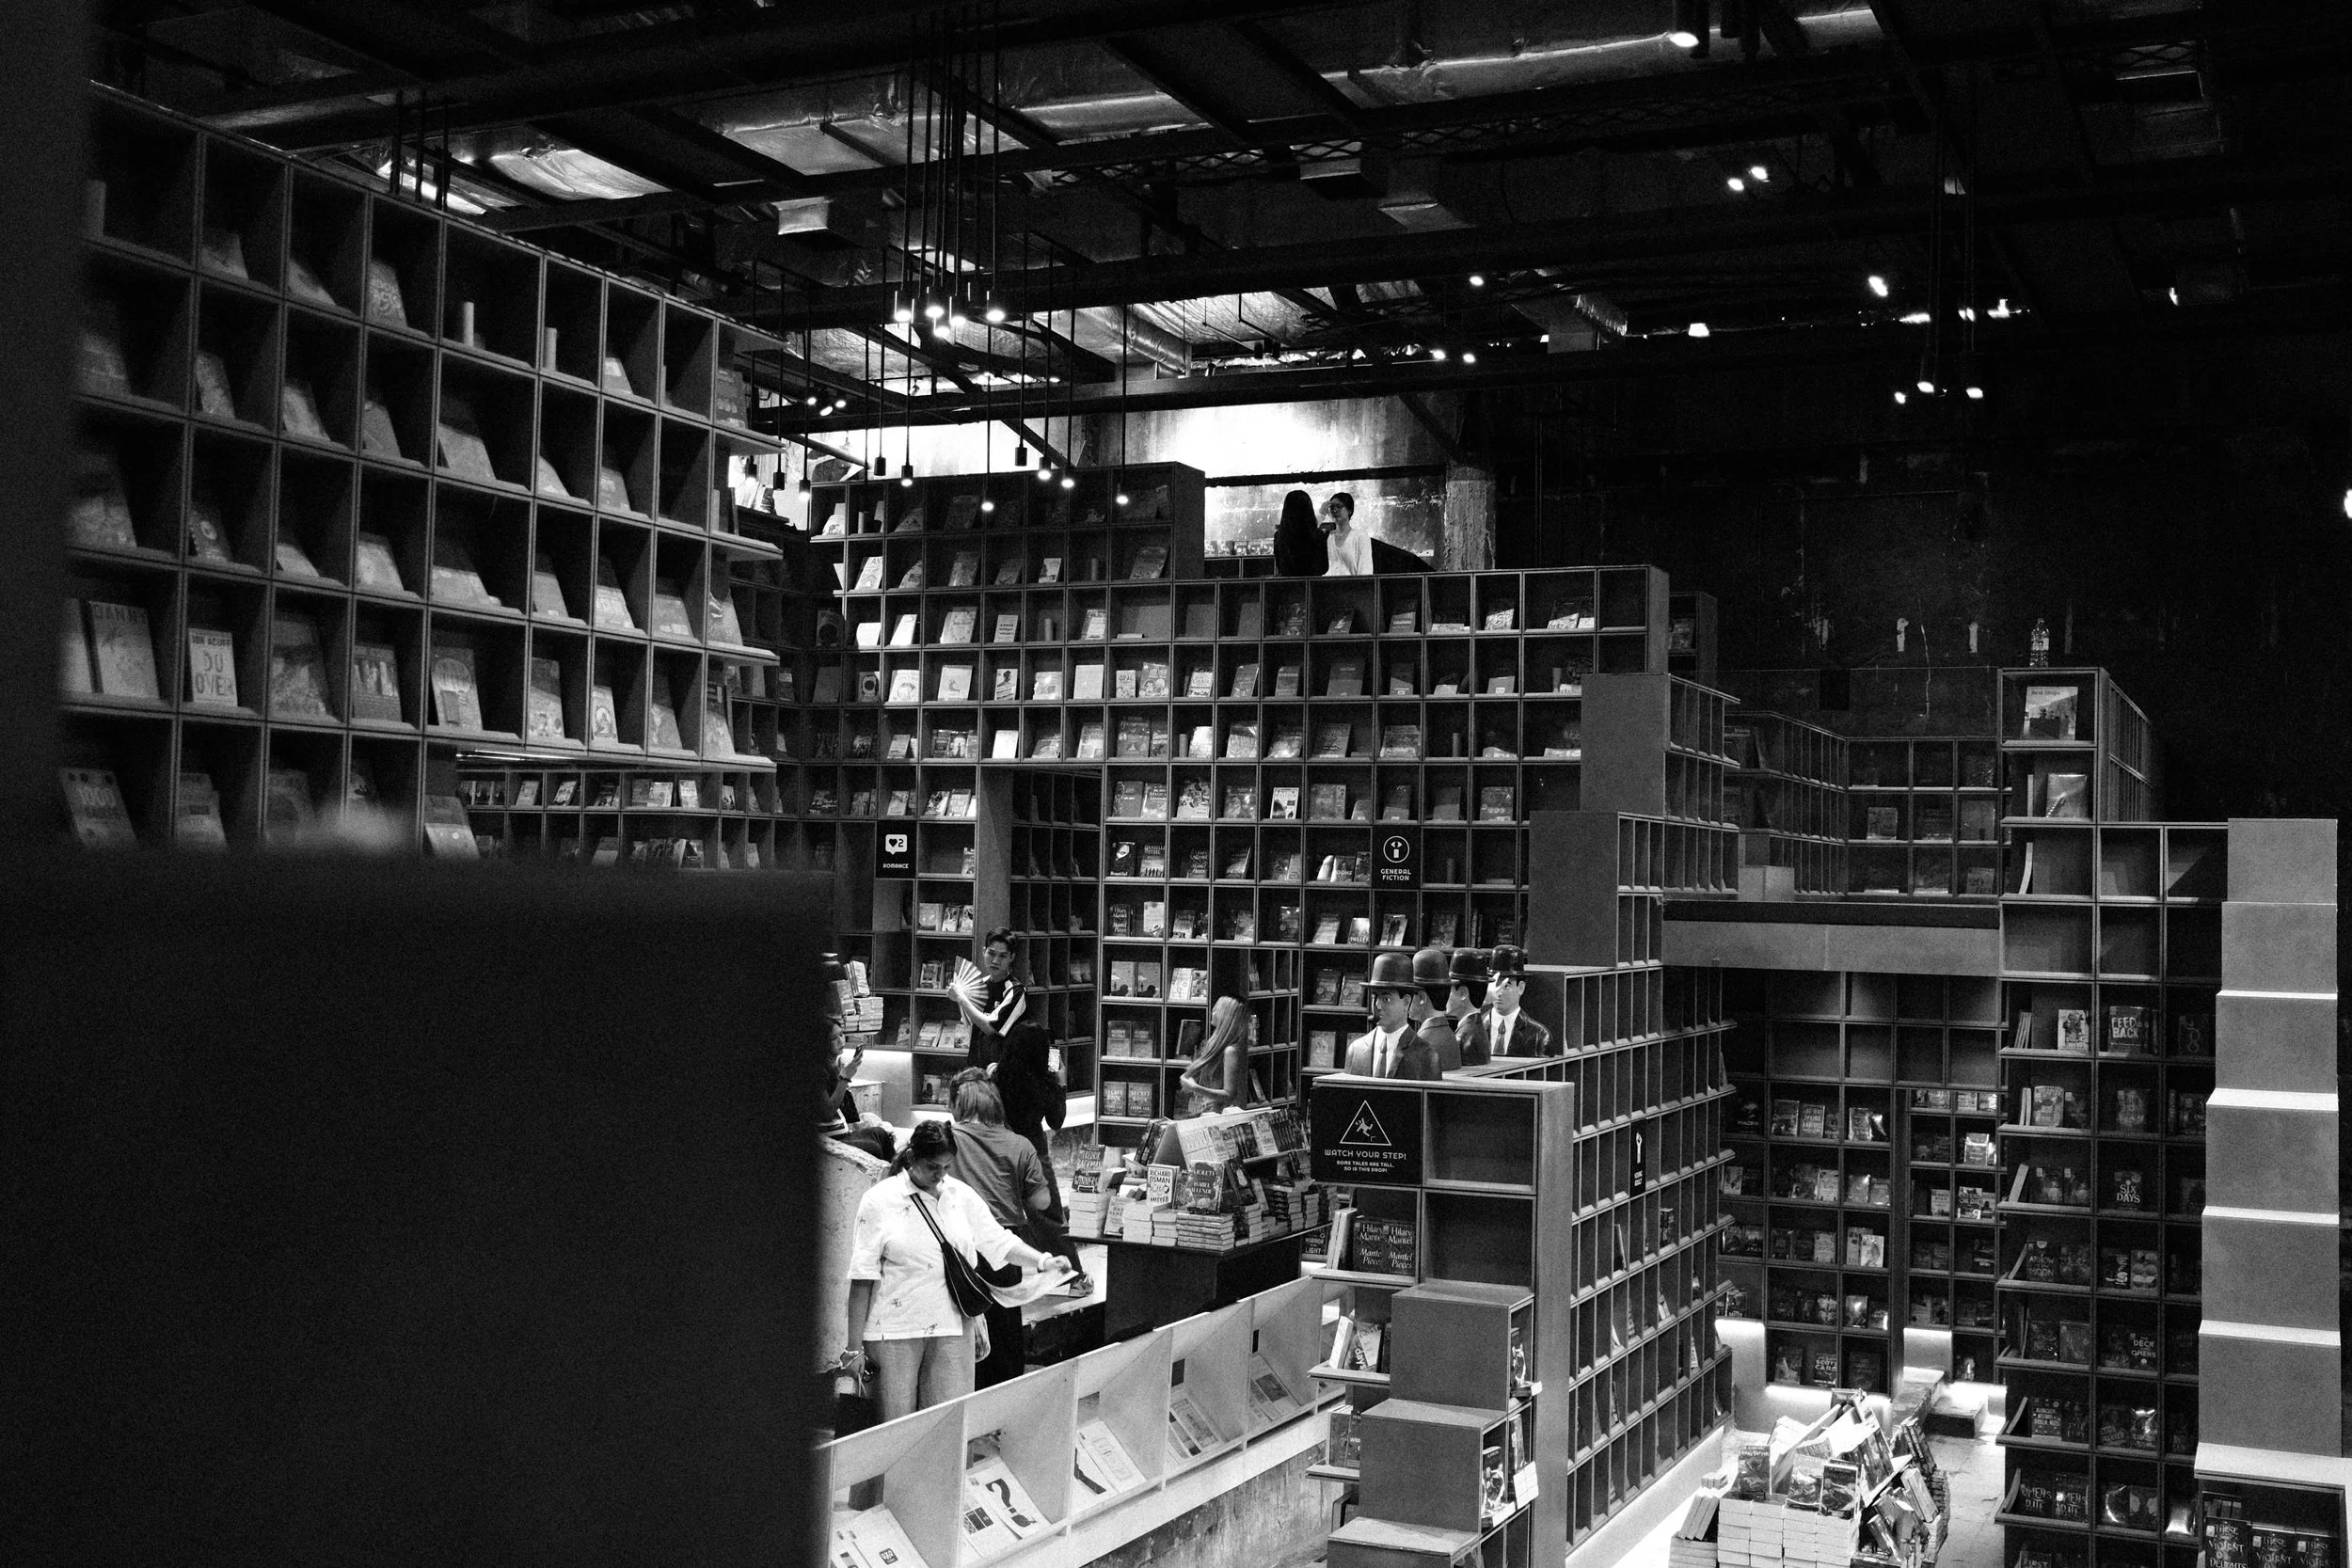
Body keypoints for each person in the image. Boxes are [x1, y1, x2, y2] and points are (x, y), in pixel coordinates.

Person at [841, 1119, 1071, 1421]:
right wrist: (853, 1348)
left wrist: (1042, 1261)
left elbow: (997, 1241)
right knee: (894, 1429)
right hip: (893, 1333)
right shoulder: (880, 1200)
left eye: (947, 1167)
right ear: (911, 1158)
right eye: (933, 1166)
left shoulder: (959, 1195)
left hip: (953, 1326)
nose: (940, 1175)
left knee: (949, 1425)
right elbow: (862, 1278)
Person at [947, 1072, 1056, 1387]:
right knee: (1005, 1330)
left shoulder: (946, 1140)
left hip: (957, 1245)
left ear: (958, 1103)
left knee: (963, 1329)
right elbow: (1041, 1200)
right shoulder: (1019, 1144)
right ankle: (1002, 1408)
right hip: (1007, 1246)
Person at [991, 1019, 1089, 1291]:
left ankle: (1032, 1271)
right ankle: (1073, 1276)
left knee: (1006, 1215)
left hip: (1001, 1150)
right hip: (1033, 1150)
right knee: (1050, 1216)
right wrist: (1061, 1083)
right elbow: (1056, 1121)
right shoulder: (1043, 1080)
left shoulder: (998, 1076)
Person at [1343, 953, 1438, 1078]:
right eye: (1375, 997)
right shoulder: (1356, 1050)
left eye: (1386, 999)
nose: (1377, 1005)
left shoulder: (1425, 1054)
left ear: (1406, 1002)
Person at [957, 927, 1028, 1070]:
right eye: (991, 953)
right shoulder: (979, 986)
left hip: (1003, 1071)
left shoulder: (1016, 991)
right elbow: (967, 1022)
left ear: (1011, 958)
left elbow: (990, 1028)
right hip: (976, 1066)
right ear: (984, 952)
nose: (995, 961)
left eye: (1002, 956)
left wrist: (961, 999)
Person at [1177, 995, 1253, 1109]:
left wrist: (1195, 1087)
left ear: (1226, 1016)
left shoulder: (1230, 1051)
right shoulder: (1216, 1043)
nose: (1213, 1010)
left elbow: (1229, 1095)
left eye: (1217, 1008)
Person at [1482, 944, 1551, 1057]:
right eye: (1495, 985)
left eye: (1506, 986)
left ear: (1521, 988)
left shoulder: (1539, 1035)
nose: (1498, 993)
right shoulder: (1477, 1029)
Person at [1409, 946, 1462, 1072]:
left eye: (1409, 994)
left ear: (1422, 997)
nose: (1405, 1001)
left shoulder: (1422, 1044)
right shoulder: (1448, 1034)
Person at [1447, 949, 1493, 1068]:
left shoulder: (1463, 1039)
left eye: (1449, 989)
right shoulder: (1477, 1029)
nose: (1445, 995)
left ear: (1463, 993)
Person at [1272, 488, 1327, 577]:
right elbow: (1324, 568)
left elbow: (1280, 565)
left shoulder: (1279, 536)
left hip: (1289, 586)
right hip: (1312, 585)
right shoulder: (1318, 535)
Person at [1322, 491, 1372, 577]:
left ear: (1349, 510)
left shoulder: (1360, 536)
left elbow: (1365, 570)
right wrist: (1321, 514)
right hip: (1328, 588)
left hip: (1352, 588)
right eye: (1332, 507)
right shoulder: (1327, 537)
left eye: (1339, 506)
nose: (1335, 510)